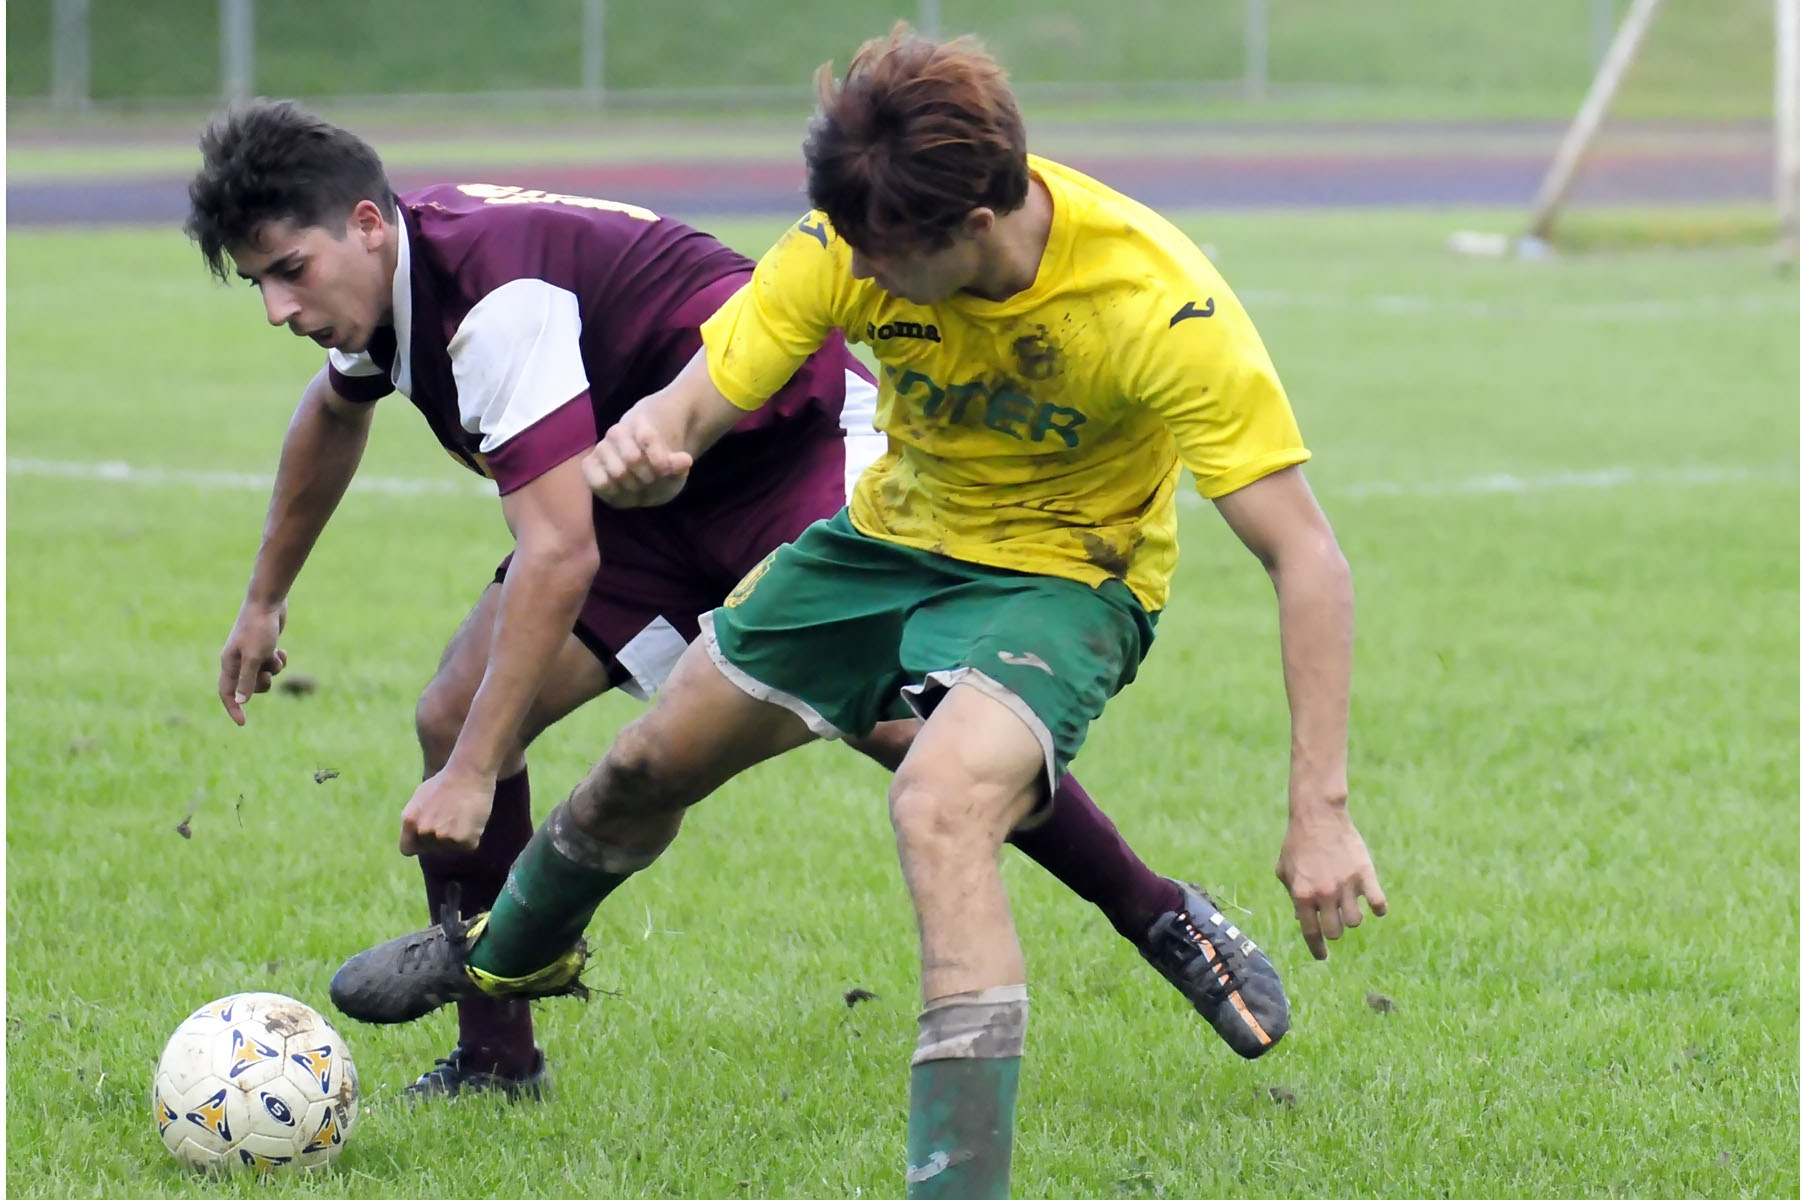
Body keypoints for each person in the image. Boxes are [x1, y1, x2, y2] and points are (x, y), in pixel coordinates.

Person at [330, 26, 1382, 1194]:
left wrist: (1321, 811)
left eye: (887, 261)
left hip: (1065, 580)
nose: (861, 280)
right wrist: (650, 449)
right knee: (642, 767)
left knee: (937, 803)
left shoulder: (1157, 305)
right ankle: (499, 962)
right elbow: (697, 401)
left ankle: (960, 1178)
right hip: (876, 547)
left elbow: (1307, 558)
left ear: (977, 227)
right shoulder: (850, 236)